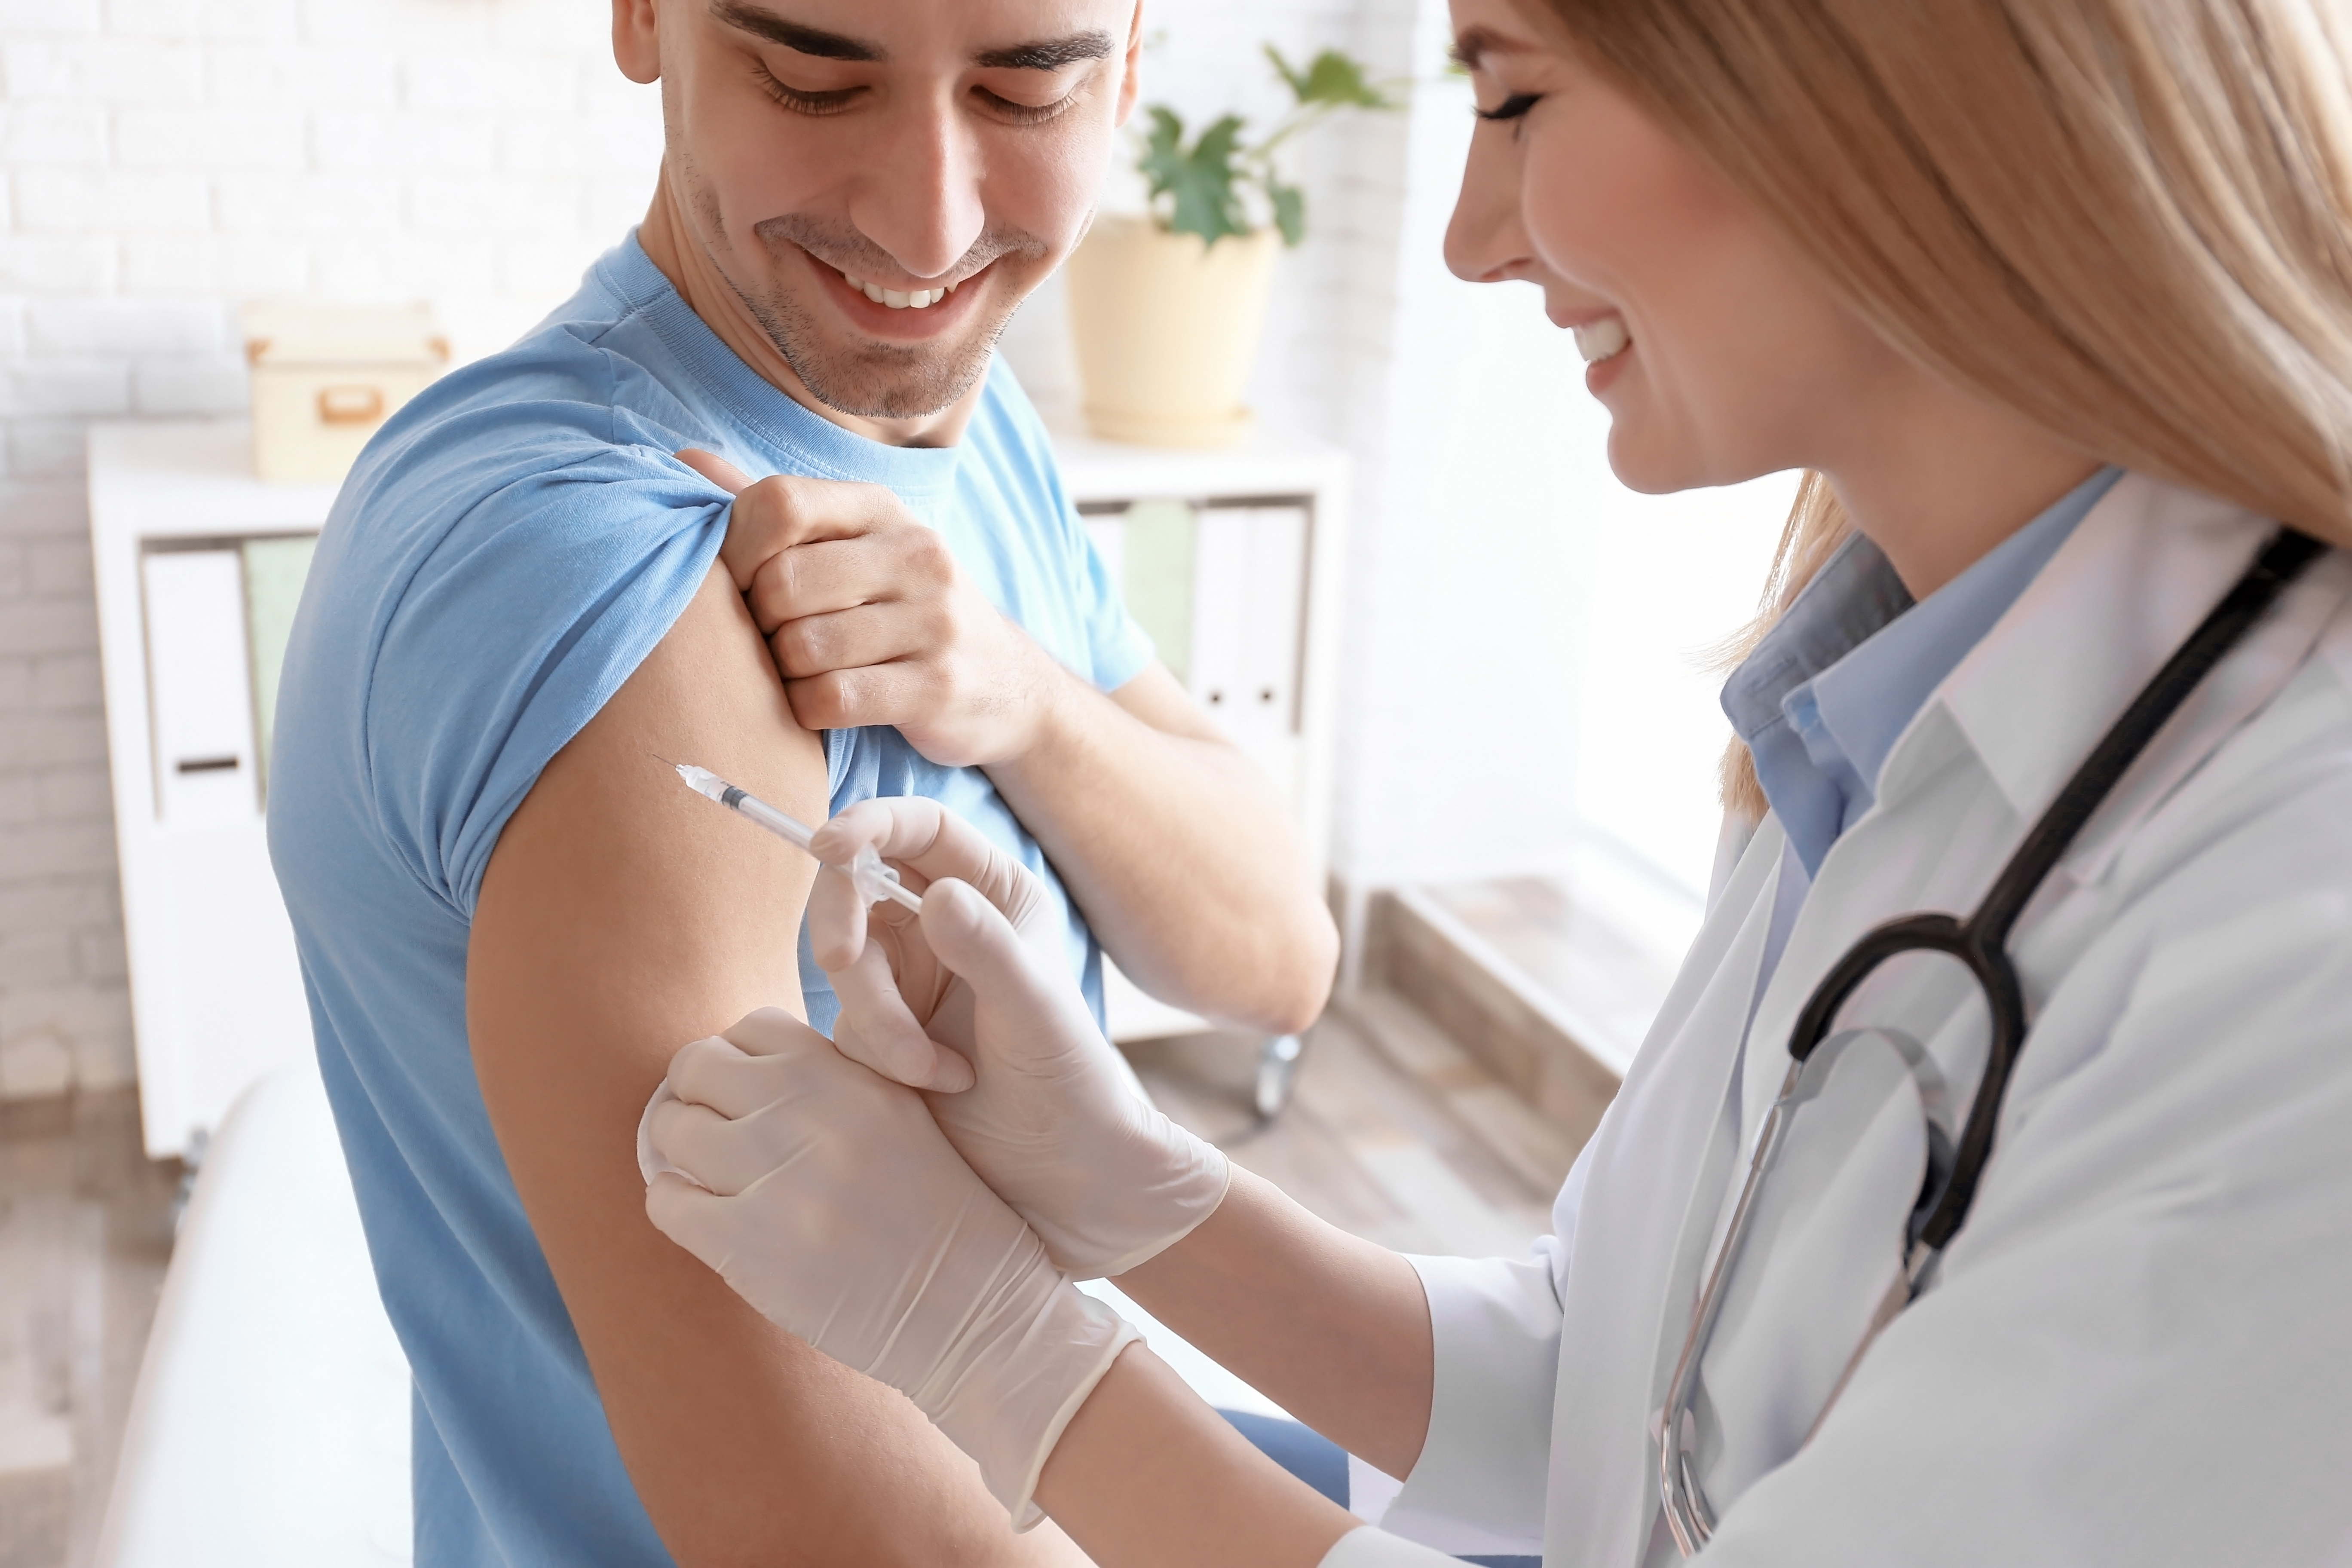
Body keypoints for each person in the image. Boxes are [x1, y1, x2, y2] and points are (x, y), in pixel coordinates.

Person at [637, 0, 2352, 1563]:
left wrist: (1017, 1356)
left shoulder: (2293, 953)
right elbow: (1629, 1406)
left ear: (1857, 80)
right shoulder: (1884, 715)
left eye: (1515, 94)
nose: (1466, 239)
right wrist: (1136, 1193)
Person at [266, 1, 1339, 1563]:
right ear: (643, 19)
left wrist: (1019, 700)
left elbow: (1277, 951)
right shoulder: (597, 568)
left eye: (1028, 92)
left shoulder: (965, 417)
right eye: (814, 79)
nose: (931, 225)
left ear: (1131, 62)